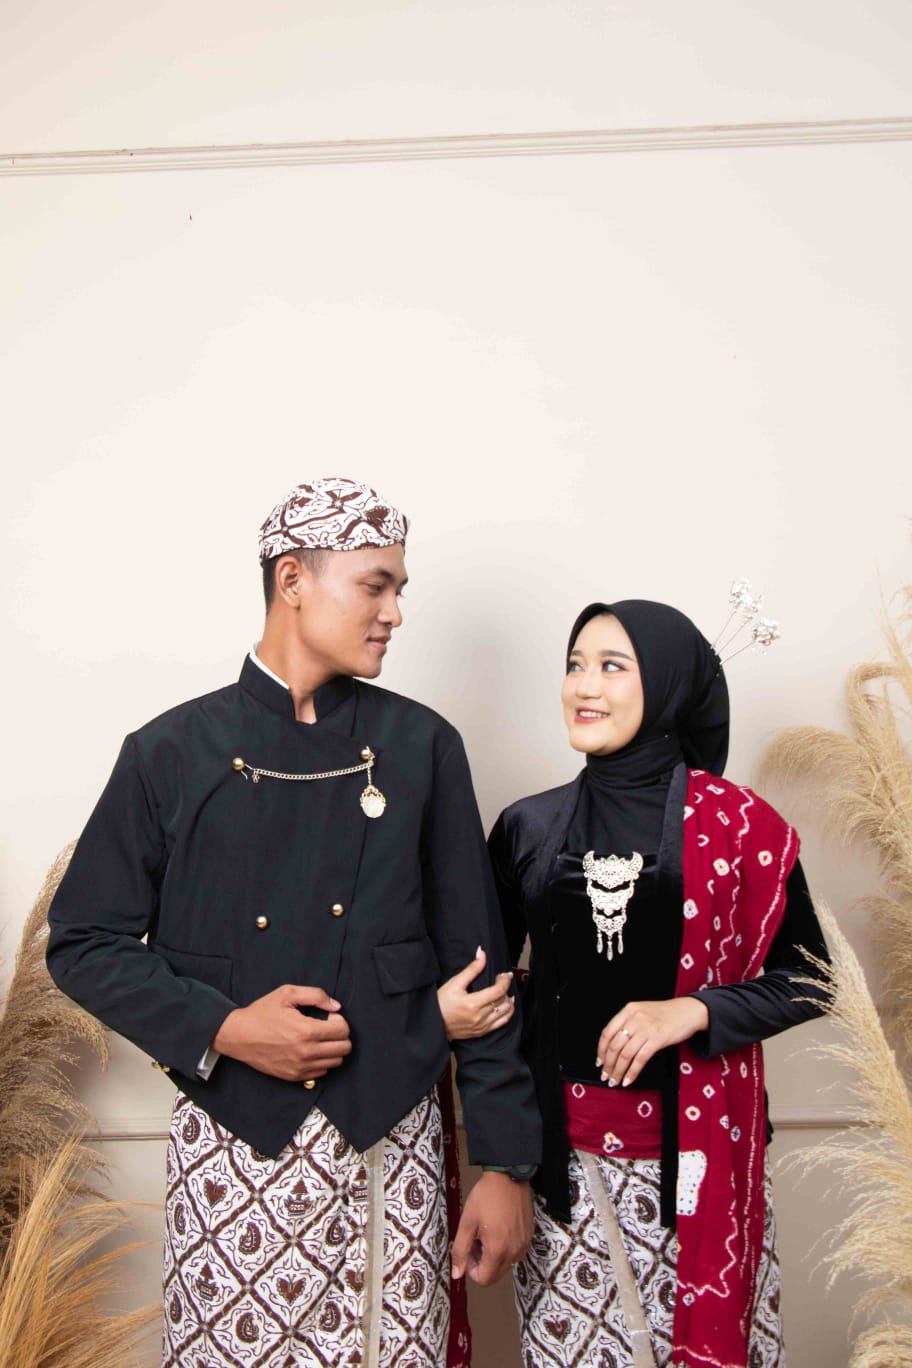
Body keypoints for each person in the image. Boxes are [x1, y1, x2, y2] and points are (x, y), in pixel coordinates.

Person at [46, 477, 541, 1368]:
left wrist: (505, 1166)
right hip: (232, 1149)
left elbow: (481, 973)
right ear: (292, 580)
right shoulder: (169, 753)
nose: (394, 613)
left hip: (391, 1144)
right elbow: (83, 942)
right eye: (374, 586)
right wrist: (227, 1027)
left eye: (400, 590)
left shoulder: (424, 748)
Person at [477, 599, 828, 1368]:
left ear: (669, 685)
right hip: (564, 1178)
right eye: (575, 665)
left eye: (612, 666)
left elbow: (811, 978)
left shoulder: (741, 827)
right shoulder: (528, 827)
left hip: (698, 1169)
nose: (583, 685)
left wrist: (694, 1011)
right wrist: (504, 1165)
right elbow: (487, 1002)